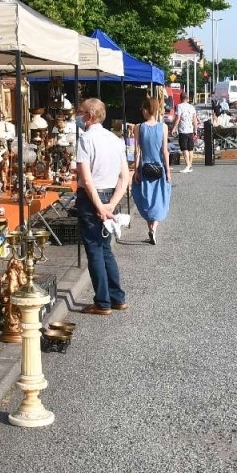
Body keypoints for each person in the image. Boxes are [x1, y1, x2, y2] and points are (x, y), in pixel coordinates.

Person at [74, 98, 130, 314]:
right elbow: (124, 177)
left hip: (92, 198)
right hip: (110, 195)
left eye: (79, 113)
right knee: (106, 249)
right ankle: (117, 297)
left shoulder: (86, 140)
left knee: (95, 249)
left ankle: (102, 302)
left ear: (88, 115)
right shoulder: (115, 140)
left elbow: (86, 180)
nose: (77, 117)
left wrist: (99, 207)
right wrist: (110, 206)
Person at [132, 97, 172, 245]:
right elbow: (165, 151)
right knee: (159, 198)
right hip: (159, 168)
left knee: (145, 198)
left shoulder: (138, 127)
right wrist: (167, 171)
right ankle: (154, 228)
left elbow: (137, 151)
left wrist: (136, 170)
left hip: (144, 168)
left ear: (145, 109)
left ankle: (150, 227)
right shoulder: (163, 127)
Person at [174, 96, 198, 173]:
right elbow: (194, 119)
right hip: (190, 129)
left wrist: (174, 128)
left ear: (180, 98)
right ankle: (190, 165)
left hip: (183, 129)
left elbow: (178, 118)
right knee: (190, 148)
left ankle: (187, 165)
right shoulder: (192, 107)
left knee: (184, 148)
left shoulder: (179, 106)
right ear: (187, 99)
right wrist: (195, 129)